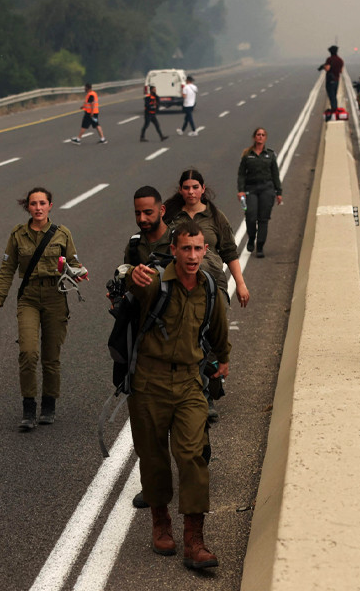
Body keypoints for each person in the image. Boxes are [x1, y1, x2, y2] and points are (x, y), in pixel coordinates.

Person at [126, 219, 230, 570]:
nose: (192, 255)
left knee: (193, 455)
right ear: (173, 250)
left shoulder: (210, 287)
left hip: (188, 382)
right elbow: (130, 281)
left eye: (198, 248)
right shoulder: (155, 283)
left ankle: (194, 540)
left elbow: (217, 330)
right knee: (153, 458)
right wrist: (130, 276)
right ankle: (160, 525)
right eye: (185, 248)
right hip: (149, 383)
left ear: (205, 251)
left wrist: (224, 359)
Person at [0, 188, 88, 431]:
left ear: (50, 205)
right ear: (28, 207)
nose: (38, 208)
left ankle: (49, 405)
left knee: (51, 357)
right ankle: (29, 407)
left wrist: (79, 271)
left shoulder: (62, 234)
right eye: (34, 204)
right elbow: (7, 268)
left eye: (43, 203)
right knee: (28, 352)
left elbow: (73, 262)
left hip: (55, 297)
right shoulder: (18, 235)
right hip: (29, 297)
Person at [163, 169, 250, 307]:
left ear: (203, 189)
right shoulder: (170, 217)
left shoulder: (216, 217)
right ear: (180, 190)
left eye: (195, 187)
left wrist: (240, 284)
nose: (191, 191)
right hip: (178, 283)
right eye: (186, 188)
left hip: (213, 281)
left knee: (215, 322)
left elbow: (229, 253)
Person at [237, 128, 282, 258]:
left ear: (265, 138)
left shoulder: (270, 155)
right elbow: (241, 174)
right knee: (250, 215)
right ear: (254, 137)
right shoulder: (247, 155)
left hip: (267, 189)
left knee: (263, 218)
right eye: (258, 135)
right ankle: (251, 237)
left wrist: (279, 192)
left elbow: (275, 174)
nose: (260, 137)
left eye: (263, 135)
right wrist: (241, 190)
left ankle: (260, 246)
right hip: (251, 189)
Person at [125, 186, 172, 265]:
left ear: (162, 211)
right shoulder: (134, 245)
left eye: (148, 213)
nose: (142, 219)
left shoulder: (178, 241)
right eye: (138, 214)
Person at [318, 45, 344, 112]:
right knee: (334, 95)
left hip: (330, 80)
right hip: (337, 79)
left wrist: (323, 67)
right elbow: (341, 71)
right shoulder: (340, 60)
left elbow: (327, 68)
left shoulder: (329, 59)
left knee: (331, 95)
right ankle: (335, 108)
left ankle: (334, 109)